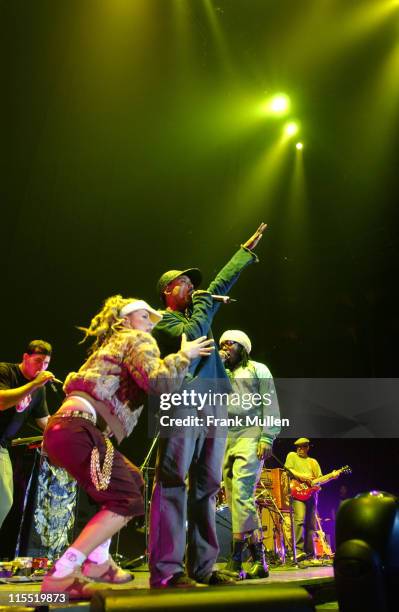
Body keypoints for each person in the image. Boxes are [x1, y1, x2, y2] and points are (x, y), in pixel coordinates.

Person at [40, 295, 213, 599]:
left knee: (132, 479)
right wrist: (184, 356)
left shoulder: (113, 345)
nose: (150, 326)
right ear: (126, 320)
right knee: (127, 498)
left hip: (67, 429)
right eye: (145, 317)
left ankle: (98, 561)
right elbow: (159, 382)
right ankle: (63, 573)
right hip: (80, 429)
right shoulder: (134, 339)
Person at [149, 223, 267, 588]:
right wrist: (206, 302)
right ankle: (167, 572)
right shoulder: (160, 320)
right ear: (170, 289)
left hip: (214, 404)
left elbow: (215, 289)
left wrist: (242, 255)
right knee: (172, 481)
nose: (194, 288)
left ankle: (202, 567)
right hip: (182, 403)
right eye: (187, 283)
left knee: (208, 485)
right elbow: (197, 326)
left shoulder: (201, 304)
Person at [218, 330, 280, 579]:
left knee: (242, 492)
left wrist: (267, 437)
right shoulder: (221, 372)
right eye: (220, 343)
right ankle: (260, 560)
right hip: (225, 436)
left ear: (242, 346)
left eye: (229, 343)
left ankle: (235, 560)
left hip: (250, 432)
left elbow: (270, 403)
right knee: (236, 499)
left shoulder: (257, 369)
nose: (224, 347)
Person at [0, 340, 55, 530]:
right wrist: (33, 385)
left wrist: (70, 425)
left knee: (4, 502)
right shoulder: (6, 371)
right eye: (38, 360)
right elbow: (1, 400)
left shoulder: (39, 389)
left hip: (2, 446)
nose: (42, 367)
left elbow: (44, 421)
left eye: (46, 363)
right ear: (25, 357)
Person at [285, 438, 337, 562]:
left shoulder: (313, 462)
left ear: (307, 447)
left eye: (302, 447)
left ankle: (309, 554)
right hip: (297, 493)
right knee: (299, 519)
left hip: (312, 495)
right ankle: (298, 551)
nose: (299, 449)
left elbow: (319, 480)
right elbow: (288, 469)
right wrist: (302, 476)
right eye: (297, 447)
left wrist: (331, 477)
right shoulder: (292, 456)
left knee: (311, 524)